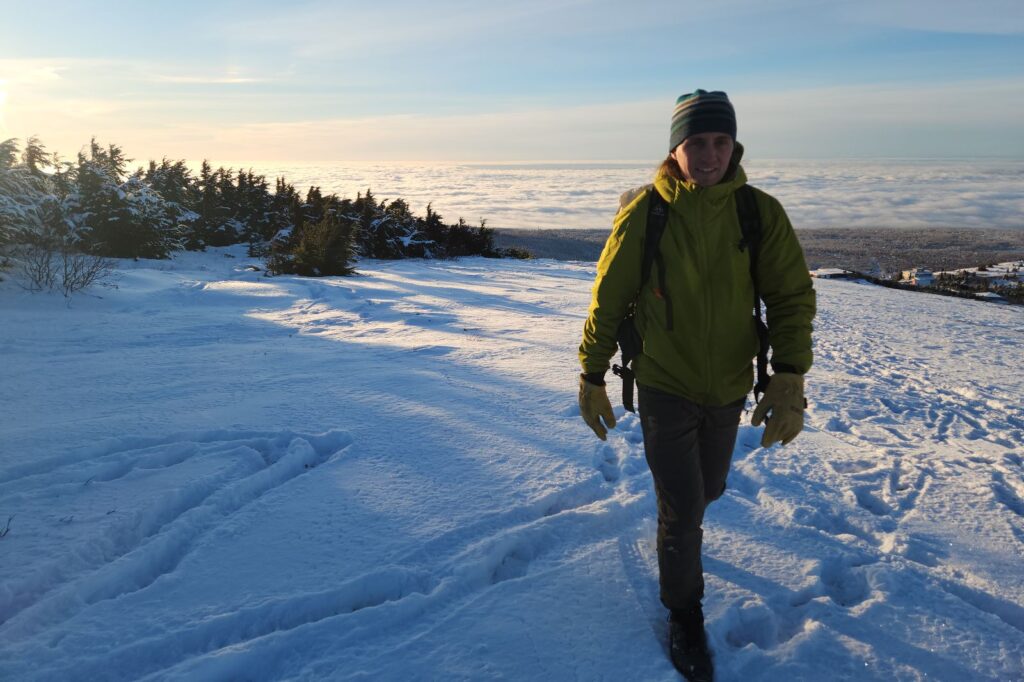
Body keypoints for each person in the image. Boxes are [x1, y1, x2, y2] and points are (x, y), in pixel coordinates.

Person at [577, 89, 815, 681]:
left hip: (730, 383)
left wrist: (788, 379)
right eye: (696, 143)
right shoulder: (648, 213)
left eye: (720, 141)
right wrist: (591, 373)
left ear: (734, 145)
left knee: (707, 488)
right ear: (674, 149)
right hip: (663, 381)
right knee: (683, 508)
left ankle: (680, 537)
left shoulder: (758, 213)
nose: (709, 154)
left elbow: (790, 297)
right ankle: (684, 612)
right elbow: (608, 299)